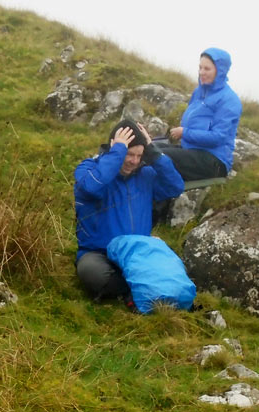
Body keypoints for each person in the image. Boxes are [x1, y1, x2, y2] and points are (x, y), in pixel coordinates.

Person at [74, 120, 184, 304]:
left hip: (137, 253)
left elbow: (175, 186)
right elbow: (92, 188)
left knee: (172, 265)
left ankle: (135, 290)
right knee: (90, 271)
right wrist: (117, 153)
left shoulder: (146, 175)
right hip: (100, 254)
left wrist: (153, 151)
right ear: (113, 147)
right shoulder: (88, 169)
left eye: (139, 155)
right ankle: (142, 289)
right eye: (129, 154)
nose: (134, 161)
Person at [160, 47, 242, 181]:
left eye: (207, 69)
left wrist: (184, 132)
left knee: (159, 157)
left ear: (220, 71)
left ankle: (158, 199)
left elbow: (218, 137)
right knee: (149, 148)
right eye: (200, 68)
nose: (201, 72)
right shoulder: (199, 92)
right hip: (191, 150)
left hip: (214, 161)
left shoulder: (229, 100)